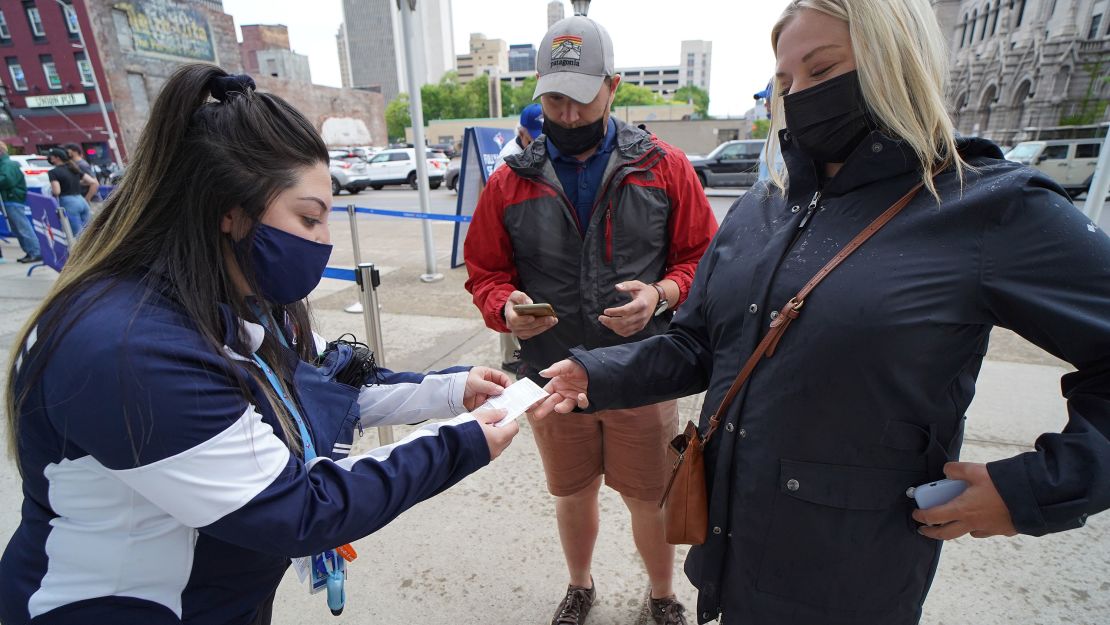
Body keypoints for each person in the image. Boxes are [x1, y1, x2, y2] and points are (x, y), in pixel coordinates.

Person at [536, 1, 1110, 624]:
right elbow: (699, 345)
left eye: (823, 69)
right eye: (786, 82)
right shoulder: (761, 208)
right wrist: (595, 374)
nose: (802, 94)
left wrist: (1037, 488)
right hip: (729, 552)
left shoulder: (985, 206)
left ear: (899, 62)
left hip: (845, 580)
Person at [0, 64, 519, 625]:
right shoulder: (127, 349)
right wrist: (459, 444)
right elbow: (297, 507)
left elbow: (330, 383)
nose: (324, 242)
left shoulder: (240, 300)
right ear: (231, 209)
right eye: (309, 218)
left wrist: (452, 391)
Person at [464, 15, 718, 625]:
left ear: (612, 85)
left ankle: (663, 595)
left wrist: (660, 295)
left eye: (580, 98)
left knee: (649, 497)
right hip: (551, 372)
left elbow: (703, 259)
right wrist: (504, 308)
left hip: (642, 370)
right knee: (571, 492)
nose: (568, 114)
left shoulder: (663, 167)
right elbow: (485, 272)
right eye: (554, 98)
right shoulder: (508, 181)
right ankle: (580, 586)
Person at [493, 102, 546, 373]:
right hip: (515, 247)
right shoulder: (508, 160)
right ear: (523, 133)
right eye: (535, 136)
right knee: (512, 303)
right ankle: (513, 357)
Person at [0, 142, 41, 263]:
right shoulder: (6, 164)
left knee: (22, 227)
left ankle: (35, 251)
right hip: (9, 199)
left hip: (12, 199)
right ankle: (30, 251)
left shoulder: (8, 164)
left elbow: (7, 180)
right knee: (18, 228)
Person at [45, 147, 98, 236]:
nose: (50, 158)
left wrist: (51, 190)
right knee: (89, 233)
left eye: (52, 157)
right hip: (81, 200)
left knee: (78, 235)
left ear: (57, 158)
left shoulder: (53, 172)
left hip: (68, 202)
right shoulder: (73, 168)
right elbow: (92, 182)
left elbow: (57, 191)